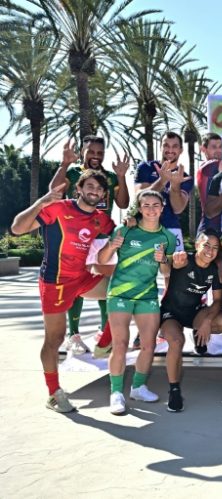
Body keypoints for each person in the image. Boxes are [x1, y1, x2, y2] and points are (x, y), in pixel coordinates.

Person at [11, 171, 115, 413]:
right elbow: (17, 229)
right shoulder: (57, 208)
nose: (94, 191)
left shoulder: (100, 219)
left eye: (99, 189)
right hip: (54, 282)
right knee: (54, 339)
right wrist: (42, 201)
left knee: (120, 290)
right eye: (89, 186)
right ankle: (54, 394)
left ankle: (103, 343)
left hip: (81, 278)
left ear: (102, 195)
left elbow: (123, 230)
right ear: (79, 189)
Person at [96, 189, 176, 415]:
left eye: (155, 205)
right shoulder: (125, 230)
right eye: (146, 205)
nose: (151, 209)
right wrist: (112, 245)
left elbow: (166, 270)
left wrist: (162, 261)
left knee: (149, 345)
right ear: (140, 209)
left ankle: (138, 387)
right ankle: (116, 393)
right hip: (120, 294)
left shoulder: (168, 238)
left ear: (162, 208)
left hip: (147, 295)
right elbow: (101, 259)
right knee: (120, 343)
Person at [48, 136, 129, 357]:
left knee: (108, 285)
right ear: (83, 151)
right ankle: (73, 335)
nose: (95, 156)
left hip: (102, 236)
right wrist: (64, 164)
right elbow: (54, 190)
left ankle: (104, 334)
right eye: (91, 151)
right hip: (77, 237)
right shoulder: (73, 173)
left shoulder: (110, 177)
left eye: (99, 153)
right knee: (75, 285)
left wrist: (121, 176)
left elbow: (123, 203)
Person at [159, 230, 222, 412]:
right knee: (176, 341)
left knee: (221, 322)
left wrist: (206, 323)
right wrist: (168, 261)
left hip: (194, 313)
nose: (210, 251)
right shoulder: (183, 259)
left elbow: (218, 300)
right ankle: (174, 390)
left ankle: (198, 334)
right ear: (196, 245)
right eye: (206, 246)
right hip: (170, 313)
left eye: (215, 248)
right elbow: (166, 268)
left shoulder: (214, 270)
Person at [134, 131, 194, 251]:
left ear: (181, 150)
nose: (170, 150)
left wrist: (175, 185)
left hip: (171, 230)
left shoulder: (184, 177)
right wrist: (162, 181)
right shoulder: (145, 168)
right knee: (144, 268)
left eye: (175, 146)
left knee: (174, 268)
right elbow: (139, 196)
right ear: (160, 147)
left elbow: (178, 208)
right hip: (144, 228)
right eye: (166, 145)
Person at [196, 132, 222, 233]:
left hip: (221, 228)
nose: (218, 151)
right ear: (203, 149)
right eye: (214, 147)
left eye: (220, 147)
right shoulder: (207, 167)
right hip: (209, 229)